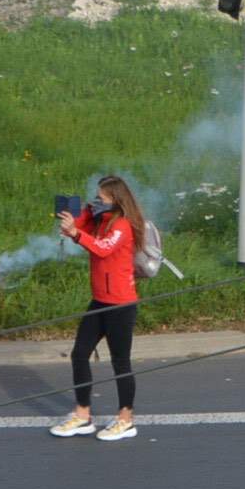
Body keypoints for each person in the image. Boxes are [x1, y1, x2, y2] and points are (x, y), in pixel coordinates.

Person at [48, 175, 143, 442]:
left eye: (101, 199)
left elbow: (102, 249)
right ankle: (82, 415)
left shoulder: (122, 225)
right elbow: (79, 227)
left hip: (121, 304)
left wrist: (77, 234)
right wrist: (72, 220)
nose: (96, 202)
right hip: (100, 299)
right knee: (79, 354)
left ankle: (126, 419)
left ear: (116, 200)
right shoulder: (99, 218)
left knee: (120, 362)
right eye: (95, 197)